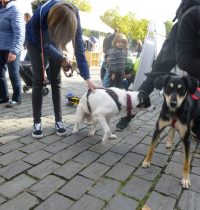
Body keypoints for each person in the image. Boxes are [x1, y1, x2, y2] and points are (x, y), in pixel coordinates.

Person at [116, 0, 200, 137]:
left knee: (195, 87)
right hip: (177, 42)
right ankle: (128, 114)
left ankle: (197, 126)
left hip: (195, 47)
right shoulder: (192, 14)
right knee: (153, 77)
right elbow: (185, 61)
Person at [26, 0, 99, 139]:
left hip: (53, 38)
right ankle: (36, 122)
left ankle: (58, 120)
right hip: (35, 41)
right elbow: (45, 45)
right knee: (38, 80)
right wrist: (61, 58)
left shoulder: (74, 14)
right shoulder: (39, 15)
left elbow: (79, 47)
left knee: (56, 80)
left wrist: (87, 78)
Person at [0, 0, 25, 107]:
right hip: (0, 47)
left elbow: (20, 33)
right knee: (0, 73)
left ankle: (17, 98)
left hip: (11, 48)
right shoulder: (1, 8)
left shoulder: (15, 9)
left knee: (13, 74)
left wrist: (14, 51)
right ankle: (4, 96)